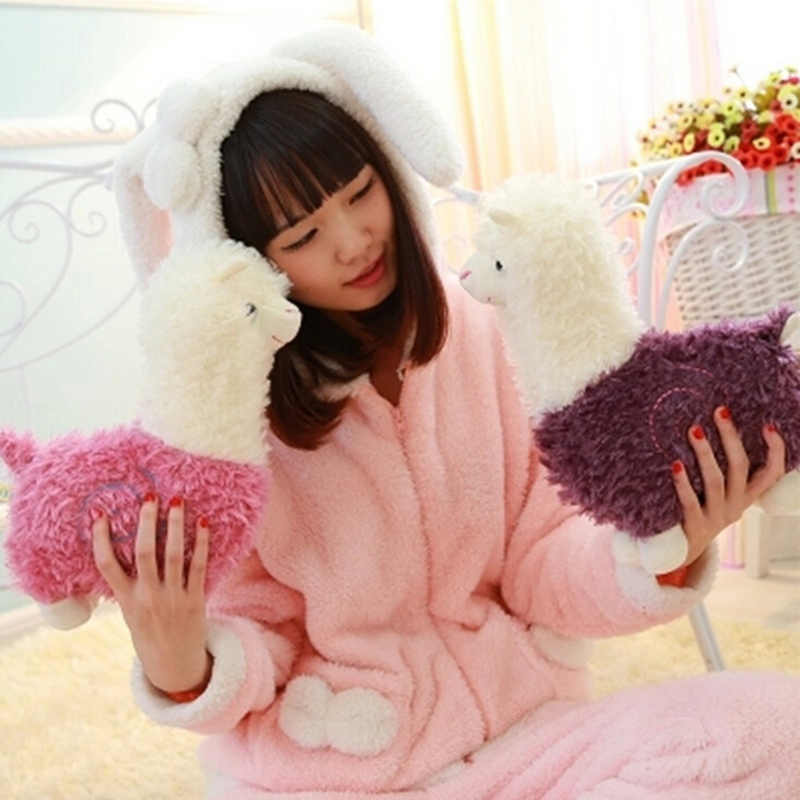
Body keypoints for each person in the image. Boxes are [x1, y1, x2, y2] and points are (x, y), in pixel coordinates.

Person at [94, 26, 799, 800]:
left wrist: (658, 549)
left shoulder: (483, 329)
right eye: (305, 235)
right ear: (249, 263)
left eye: (360, 193)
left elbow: (541, 556)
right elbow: (254, 633)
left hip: (528, 741)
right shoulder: (226, 425)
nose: (355, 241)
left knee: (776, 728)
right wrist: (182, 663)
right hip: (338, 775)